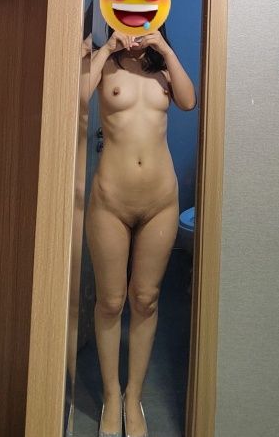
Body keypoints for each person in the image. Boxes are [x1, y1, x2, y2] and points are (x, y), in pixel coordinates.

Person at [86, 25, 196, 437]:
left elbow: (188, 101)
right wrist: (105, 49)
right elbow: (75, 99)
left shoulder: (162, 68)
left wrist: (166, 49)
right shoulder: (102, 61)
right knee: (111, 301)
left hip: (160, 202)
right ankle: (111, 396)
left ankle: (133, 397)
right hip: (110, 201)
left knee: (146, 300)